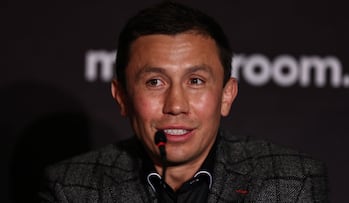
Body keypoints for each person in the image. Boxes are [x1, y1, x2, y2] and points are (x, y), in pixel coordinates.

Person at [39, 1, 328, 202]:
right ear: (122, 97)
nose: (176, 105)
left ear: (227, 95)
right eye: (155, 82)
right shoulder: (72, 187)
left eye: (195, 81)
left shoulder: (291, 182)